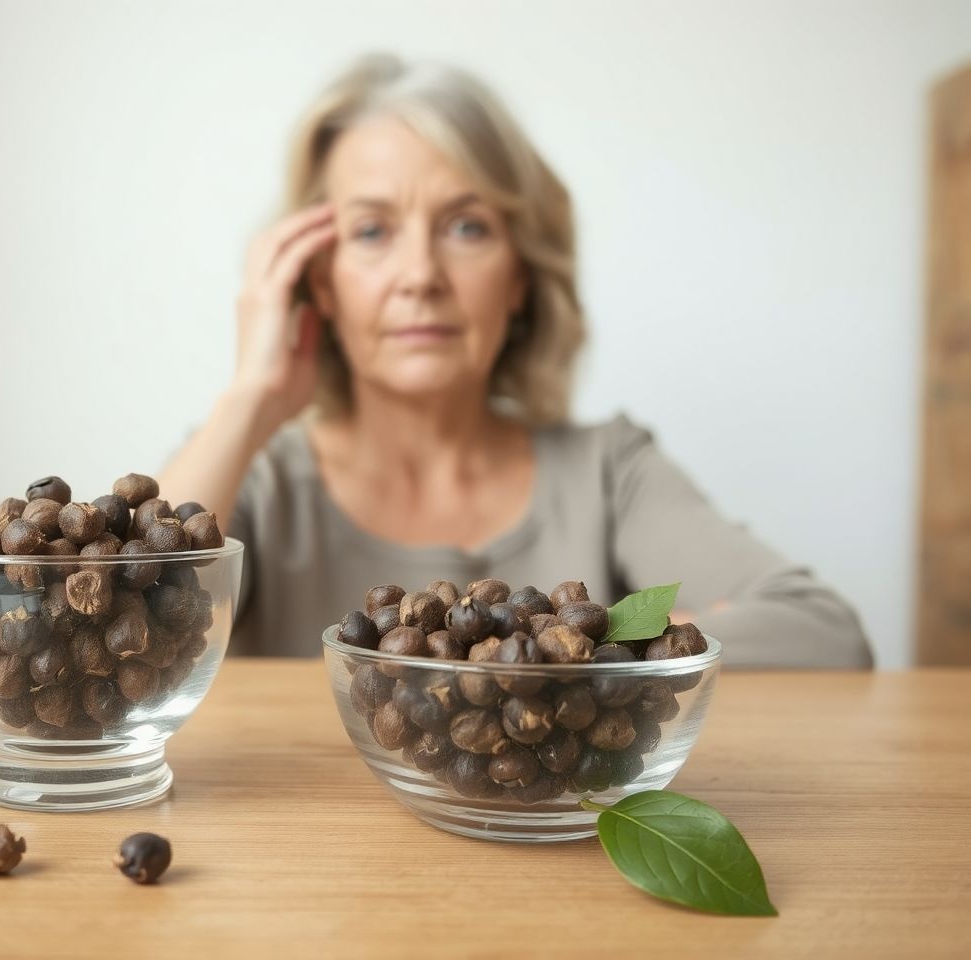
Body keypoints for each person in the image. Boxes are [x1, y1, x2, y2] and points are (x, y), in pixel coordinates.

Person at [159, 53, 873, 669]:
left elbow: (825, 635)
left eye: (467, 227)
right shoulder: (259, 483)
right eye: (372, 230)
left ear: (520, 275)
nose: (420, 275)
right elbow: (118, 631)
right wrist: (250, 397)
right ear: (319, 279)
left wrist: (567, 658)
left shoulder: (607, 470)